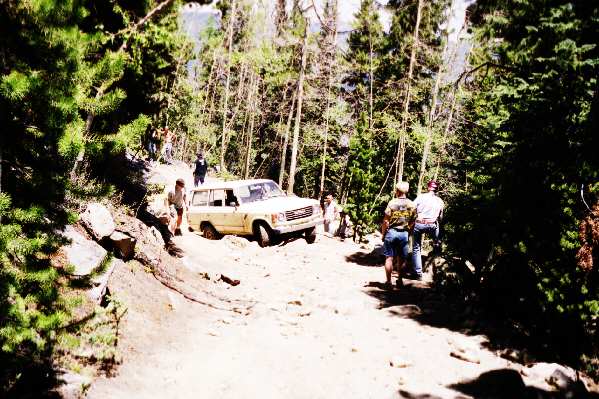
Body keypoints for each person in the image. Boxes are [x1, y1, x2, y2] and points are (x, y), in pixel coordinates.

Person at [381, 181, 417, 289]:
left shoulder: (392, 203)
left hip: (391, 232)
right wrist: (409, 232)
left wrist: (383, 233)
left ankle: (388, 282)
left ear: (397, 191)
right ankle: (400, 280)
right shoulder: (412, 204)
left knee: (389, 258)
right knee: (402, 258)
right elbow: (413, 221)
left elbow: (386, 221)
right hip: (404, 234)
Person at [411, 180, 444, 280]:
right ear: (436, 189)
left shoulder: (421, 197)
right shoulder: (440, 201)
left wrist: (416, 216)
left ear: (428, 187)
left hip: (419, 224)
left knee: (416, 248)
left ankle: (418, 273)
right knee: (437, 229)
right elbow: (441, 217)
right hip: (432, 225)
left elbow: (412, 208)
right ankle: (437, 246)